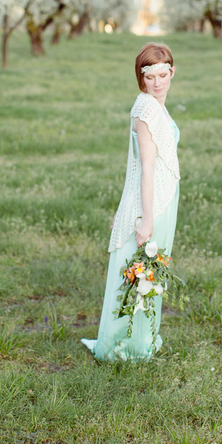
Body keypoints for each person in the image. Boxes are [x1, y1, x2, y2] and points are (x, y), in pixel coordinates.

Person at [82, 42, 180, 361]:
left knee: (149, 276)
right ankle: (125, 347)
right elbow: (146, 167)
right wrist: (146, 219)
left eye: (163, 74)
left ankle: (141, 340)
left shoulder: (155, 105)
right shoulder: (146, 109)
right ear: (141, 77)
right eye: (149, 76)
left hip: (162, 198)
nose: (157, 82)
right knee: (137, 273)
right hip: (153, 203)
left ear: (172, 73)